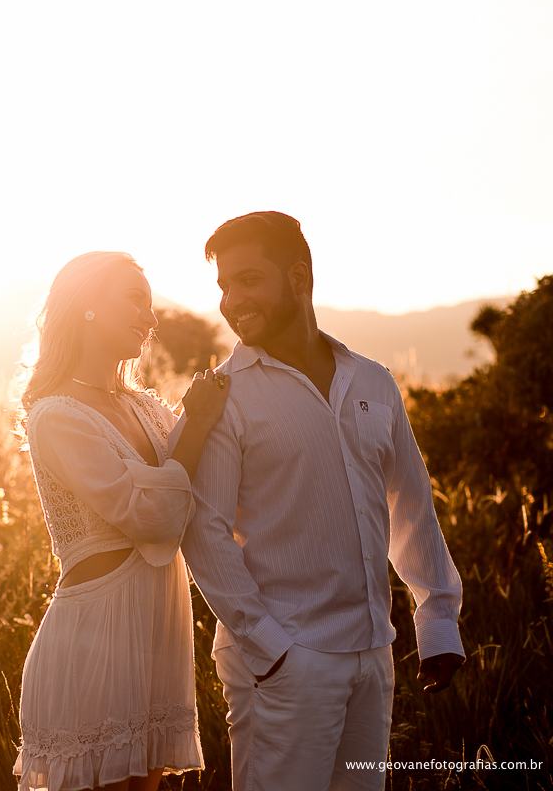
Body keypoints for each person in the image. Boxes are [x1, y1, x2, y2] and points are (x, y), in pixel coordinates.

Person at [178, 212, 465, 791]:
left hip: (373, 652)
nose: (232, 301)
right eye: (224, 286)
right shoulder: (224, 397)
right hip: (284, 663)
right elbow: (203, 532)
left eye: (249, 280)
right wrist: (273, 649)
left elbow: (411, 505)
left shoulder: (374, 381)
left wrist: (436, 619)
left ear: (299, 276)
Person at [13, 251, 229, 791]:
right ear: (87, 306)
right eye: (135, 300)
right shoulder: (57, 416)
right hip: (94, 643)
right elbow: (153, 519)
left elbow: (201, 486)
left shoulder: (147, 408)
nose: (150, 318)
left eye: (150, 305)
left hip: (156, 639)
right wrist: (197, 422)